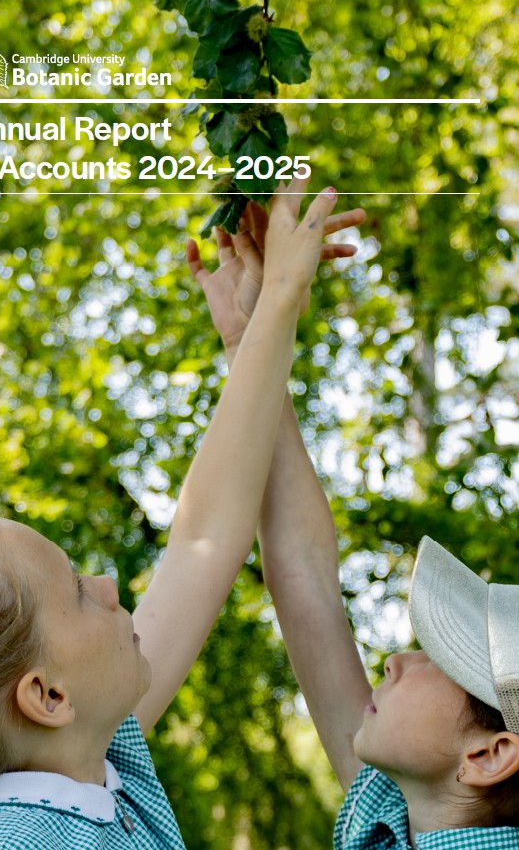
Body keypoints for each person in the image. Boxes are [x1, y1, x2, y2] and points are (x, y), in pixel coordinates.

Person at [0, 177, 365, 850]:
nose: (108, 586)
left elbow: (203, 540)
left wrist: (257, 330)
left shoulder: (83, 761)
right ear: (47, 696)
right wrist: (273, 301)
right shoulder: (3, 841)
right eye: (75, 591)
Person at [189, 201, 519, 846]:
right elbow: (304, 574)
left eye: (440, 657)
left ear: (488, 755)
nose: (395, 661)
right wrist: (252, 340)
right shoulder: (392, 817)